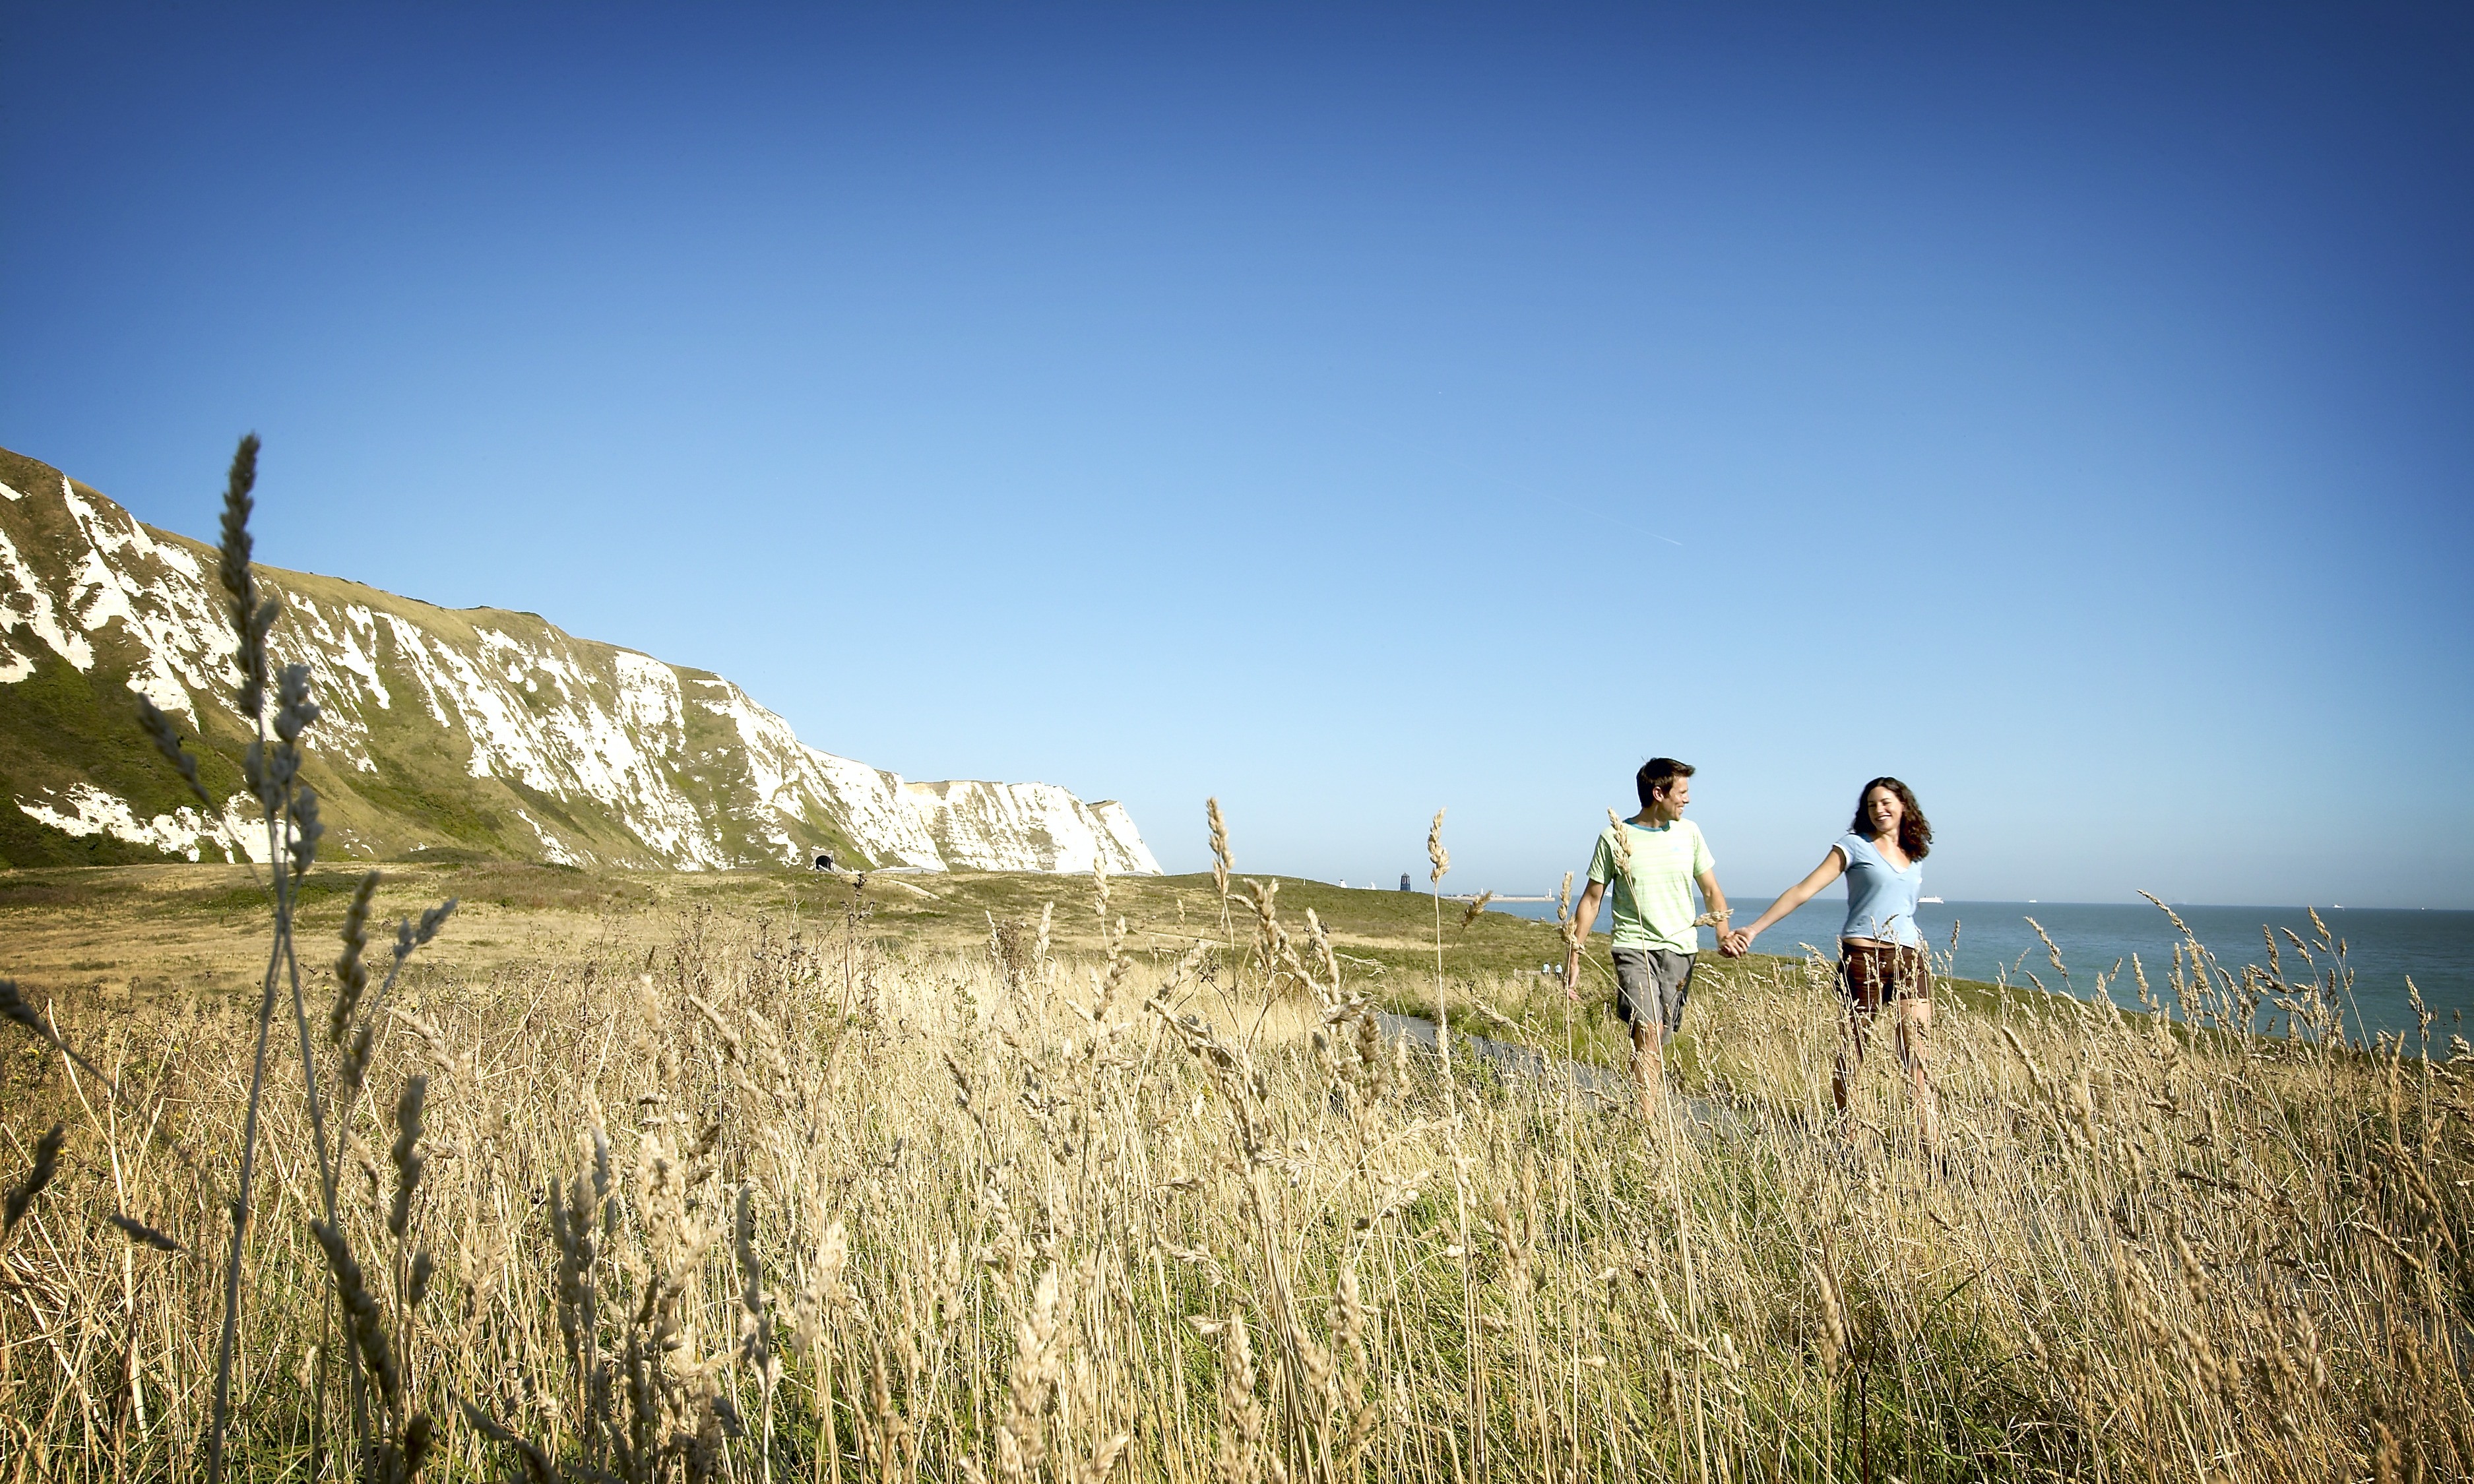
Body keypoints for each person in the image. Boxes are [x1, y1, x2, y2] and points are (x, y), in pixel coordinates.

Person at [1725, 777, 1938, 1152]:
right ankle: (1849, 1136)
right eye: (1872, 805)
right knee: (1854, 1048)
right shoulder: (1854, 846)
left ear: (1904, 805)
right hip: (1864, 956)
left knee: (1916, 1050)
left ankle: (1929, 1141)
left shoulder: (1914, 852)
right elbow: (1803, 890)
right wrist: (1755, 929)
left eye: (1886, 802)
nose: (1880, 810)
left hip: (1910, 956)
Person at [1563, 758, 1731, 1119]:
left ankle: (1642, 1108)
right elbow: (1592, 899)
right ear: (1659, 794)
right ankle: (1648, 1121)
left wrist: (1722, 934)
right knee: (1650, 1029)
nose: (1687, 801)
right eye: (1682, 793)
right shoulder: (1615, 837)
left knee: (1658, 1038)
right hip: (1633, 945)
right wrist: (1574, 955)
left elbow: (1712, 889)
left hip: (1682, 950)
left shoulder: (1690, 834)